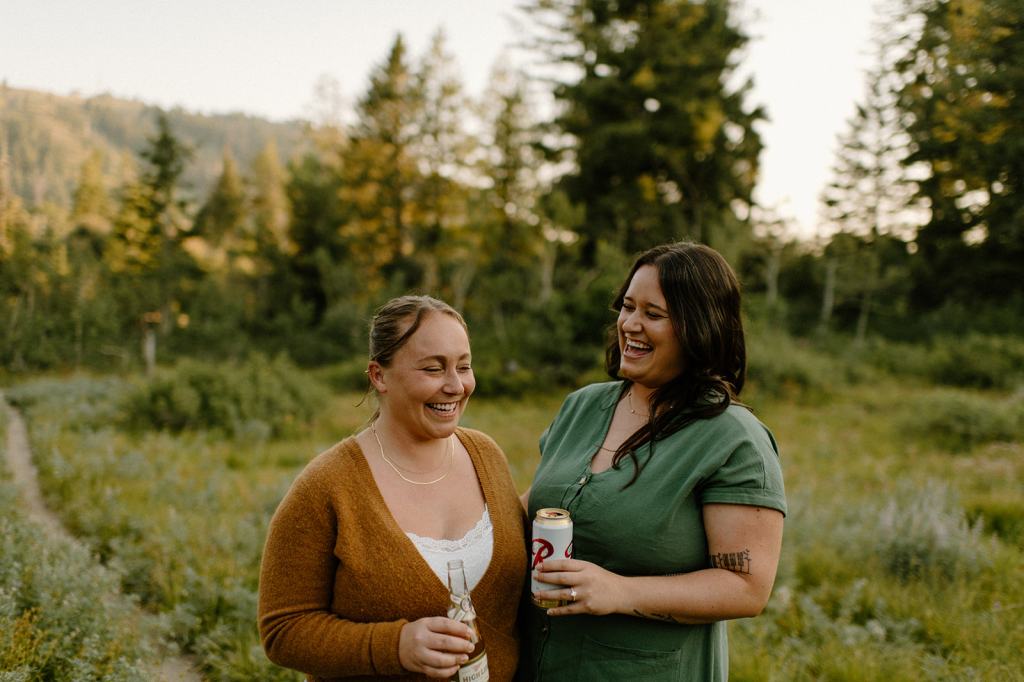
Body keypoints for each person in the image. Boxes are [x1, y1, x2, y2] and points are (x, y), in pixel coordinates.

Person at [523, 242, 786, 681]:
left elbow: (746, 589)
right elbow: (529, 511)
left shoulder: (733, 439)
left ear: (699, 327)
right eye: (627, 307)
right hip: (541, 665)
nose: (630, 325)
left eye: (653, 314)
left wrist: (619, 590)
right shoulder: (582, 406)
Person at [259, 295, 526, 681]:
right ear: (379, 376)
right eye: (433, 369)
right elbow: (282, 631)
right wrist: (395, 646)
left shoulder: (487, 456)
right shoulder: (327, 486)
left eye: (464, 367)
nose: (455, 386)